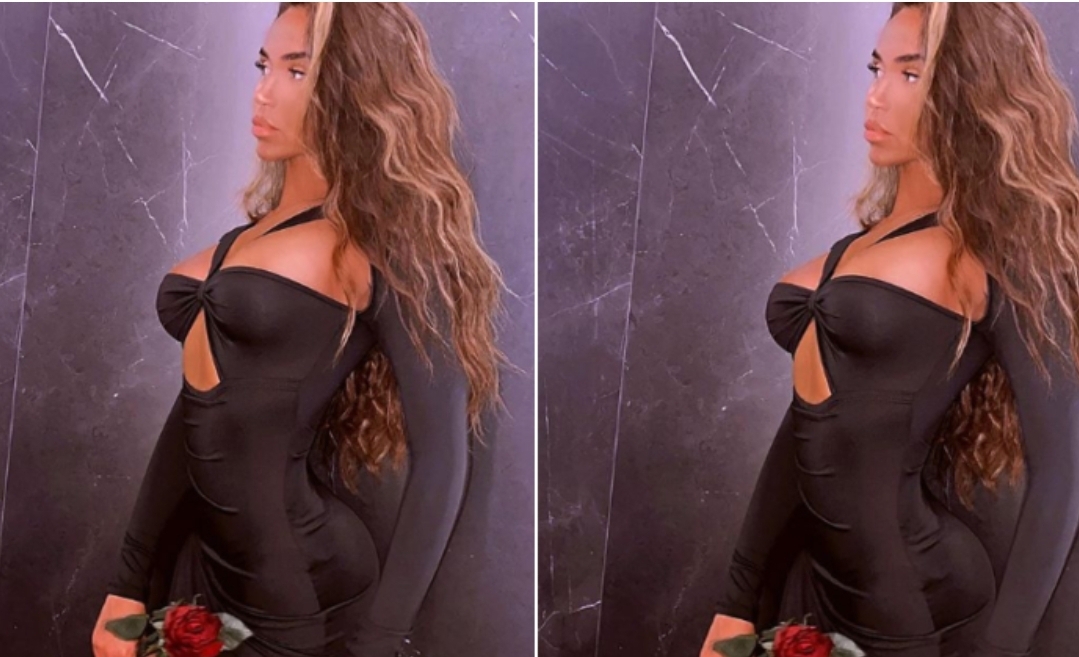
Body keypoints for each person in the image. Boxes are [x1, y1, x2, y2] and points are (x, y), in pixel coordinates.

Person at [91, 4, 506, 657]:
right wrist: (128, 582)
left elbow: (442, 458)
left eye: (295, 71)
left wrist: (379, 642)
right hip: (209, 575)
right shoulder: (252, 234)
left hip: (301, 592)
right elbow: (197, 410)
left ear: (351, 85)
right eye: (264, 66)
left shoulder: (378, 248)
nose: (263, 92)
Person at [700, 4, 1079, 657]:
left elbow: (1064, 473)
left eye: (909, 74)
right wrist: (736, 600)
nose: (875, 95)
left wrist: (1000, 651)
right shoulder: (864, 243)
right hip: (822, 591)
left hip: (915, 605)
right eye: (876, 69)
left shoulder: (997, 254)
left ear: (967, 87)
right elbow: (809, 423)